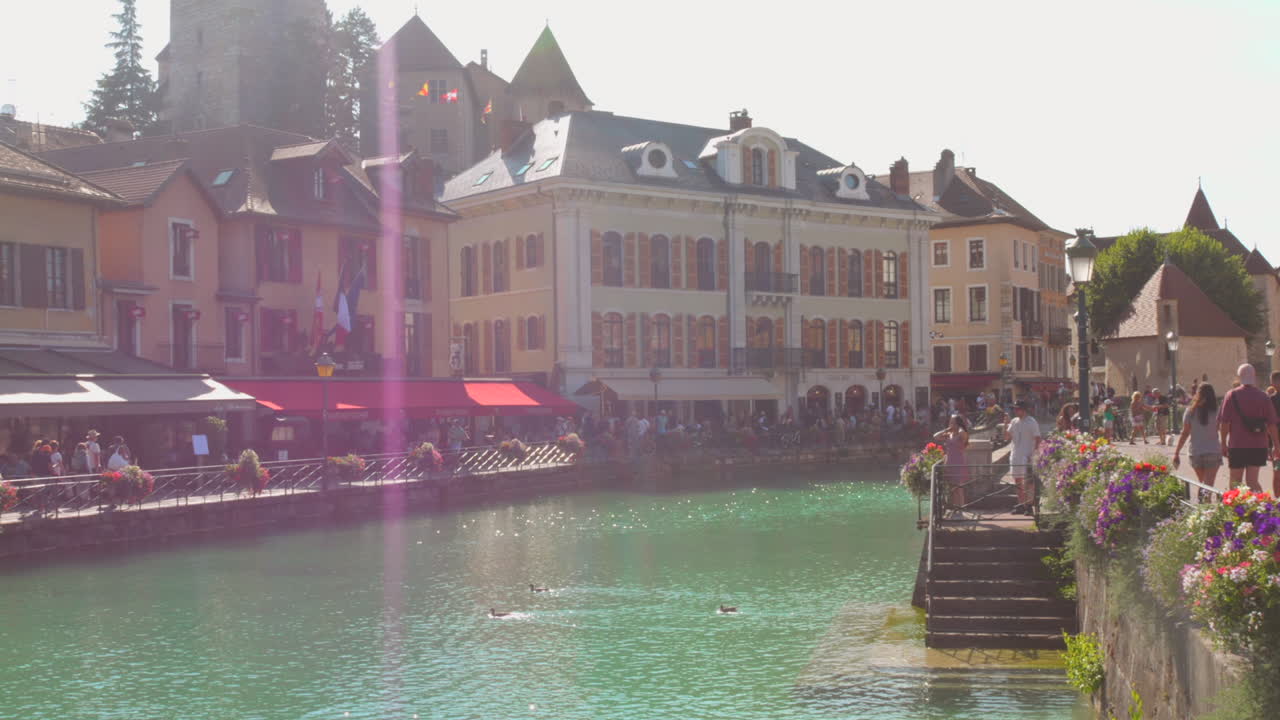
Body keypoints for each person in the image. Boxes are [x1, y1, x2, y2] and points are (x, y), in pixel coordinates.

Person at [1217, 363, 1280, 493]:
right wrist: (1276, 445)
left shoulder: (1231, 395)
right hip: (1258, 445)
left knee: (1235, 482)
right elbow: (1271, 424)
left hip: (1237, 445)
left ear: (1239, 376)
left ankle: (1236, 511)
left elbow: (1224, 423)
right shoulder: (1263, 397)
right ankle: (1261, 509)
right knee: (1253, 482)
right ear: (1254, 376)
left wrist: (1223, 443)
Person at [1173, 383, 1221, 497]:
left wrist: (1177, 452)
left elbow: (1185, 433)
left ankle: (1201, 509)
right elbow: (1221, 429)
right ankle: (1206, 510)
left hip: (1196, 452)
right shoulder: (1217, 412)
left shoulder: (1190, 412)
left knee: (1202, 483)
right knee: (1208, 486)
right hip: (1213, 450)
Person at [1007, 401, 1042, 514]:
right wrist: (1005, 424)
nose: (1015, 411)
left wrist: (1033, 455)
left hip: (1027, 455)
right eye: (1015, 409)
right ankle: (1021, 504)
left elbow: (1037, 439)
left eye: (1017, 409)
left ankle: (1029, 505)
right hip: (1016, 454)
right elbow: (1007, 437)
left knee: (1028, 482)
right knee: (1017, 480)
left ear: (1023, 409)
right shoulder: (1013, 421)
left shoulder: (1032, 422)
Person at [934, 414, 970, 507]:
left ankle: (962, 507)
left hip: (958, 462)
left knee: (959, 487)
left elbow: (964, 434)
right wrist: (947, 430)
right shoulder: (948, 435)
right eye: (950, 422)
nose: (951, 424)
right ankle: (955, 507)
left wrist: (959, 427)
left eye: (953, 422)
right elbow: (935, 436)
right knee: (952, 487)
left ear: (958, 424)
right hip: (949, 462)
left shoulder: (961, 434)